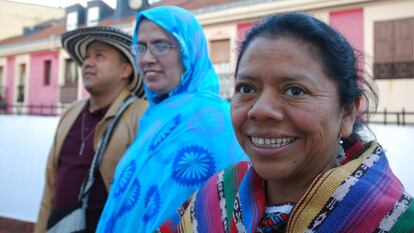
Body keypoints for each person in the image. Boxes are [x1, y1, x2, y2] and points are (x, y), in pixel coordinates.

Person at [159, 12, 414, 232]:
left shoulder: (395, 221)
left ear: (347, 113)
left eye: (294, 91)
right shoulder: (213, 201)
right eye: (247, 88)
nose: (260, 110)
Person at [96, 6, 247, 233]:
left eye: (160, 45)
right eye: (141, 47)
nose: (146, 59)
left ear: (188, 50)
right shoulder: (152, 118)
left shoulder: (214, 118)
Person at [34, 26, 148, 233]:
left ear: (126, 70)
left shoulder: (141, 115)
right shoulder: (70, 113)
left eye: (99, 56)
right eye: (86, 57)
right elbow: (50, 187)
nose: (87, 63)